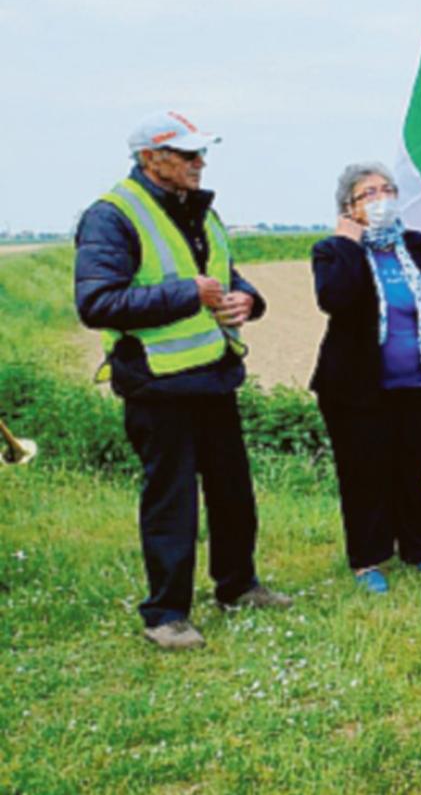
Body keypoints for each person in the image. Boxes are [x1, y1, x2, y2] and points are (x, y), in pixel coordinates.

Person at [74, 110, 291, 650]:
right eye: (189, 155)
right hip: (158, 384)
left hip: (213, 376)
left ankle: (237, 587)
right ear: (151, 158)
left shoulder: (200, 211)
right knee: (172, 502)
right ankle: (166, 614)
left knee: (233, 493)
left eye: (201, 153)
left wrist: (249, 299)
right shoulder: (112, 216)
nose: (201, 163)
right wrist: (187, 294)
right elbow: (97, 302)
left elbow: (224, 277)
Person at [309, 163, 421, 594]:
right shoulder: (332, 251)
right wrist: (348, 243)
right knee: (364, 476)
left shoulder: (420, 247)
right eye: (368, 194)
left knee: (413, 470)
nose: (381, 199)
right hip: (355, 389)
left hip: (418, 383)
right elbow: (335, 299)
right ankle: (368, 559)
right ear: (349, 207)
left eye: (387, 190)